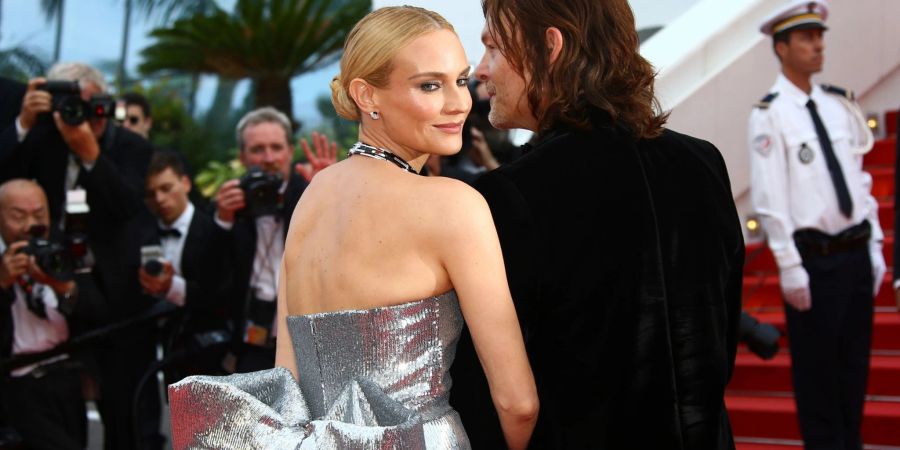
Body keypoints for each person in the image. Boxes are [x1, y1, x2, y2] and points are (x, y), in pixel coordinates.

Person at [168, 6, 538, 449]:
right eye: (429, 85)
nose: (458, 102)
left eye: (460, 80)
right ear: (367, 96)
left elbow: (285, 381)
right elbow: (518, 403)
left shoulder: (310, 197)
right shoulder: (453, 204)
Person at [448, 0, 745, 448]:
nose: (482, 71)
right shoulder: (703, 162)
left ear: (550, 46)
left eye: (493, 48)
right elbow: (720, 338)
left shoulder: (510, 197)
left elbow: (489, 395)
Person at [0, 62, 159, 450]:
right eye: (73, 105)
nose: (83, 115)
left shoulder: (130, 146)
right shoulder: (42, 138)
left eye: (93, 105)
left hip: (116, 306)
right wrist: (22, 122)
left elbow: (127, 206)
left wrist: (89, 153)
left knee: (129, 422)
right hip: (52, 295)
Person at [749, 2, 882, 448]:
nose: (817, 44)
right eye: (805, 37)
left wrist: (876, 246)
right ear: (781, 47)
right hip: (815, 263)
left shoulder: (838, 105)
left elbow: (860, 182)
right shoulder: (769, 114)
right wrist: (788, 263)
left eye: (819, 35)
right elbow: (770, 199)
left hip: (854, 256)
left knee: (853, 372)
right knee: (819, 380)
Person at [212, 108, 336, 373]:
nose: (268, 158)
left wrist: (328, 196)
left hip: (309, 338)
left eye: (276, 147)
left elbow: (343, 254)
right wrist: (222, 221)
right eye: (257, 150)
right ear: (242, 157)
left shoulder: (311, 191)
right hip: (250, 340)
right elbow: (211, 276)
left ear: (290, 152)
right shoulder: (232, 202)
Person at [0, 179, 99, 449]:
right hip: (19, 384)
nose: (30, 225)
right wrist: (3, 283)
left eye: (39, 214)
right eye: (18, 216)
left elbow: (94, 310)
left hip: (67, 378)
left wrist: (59, 284)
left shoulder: (63, 250)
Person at [138, 151, 230, 380]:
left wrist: (171, 287)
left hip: (208, 353)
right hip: (164, 350)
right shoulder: (144, 234)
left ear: (185, 183)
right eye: (151, 193)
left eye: (166, 188)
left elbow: (221, 293)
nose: (159, 199)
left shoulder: (212, 229)